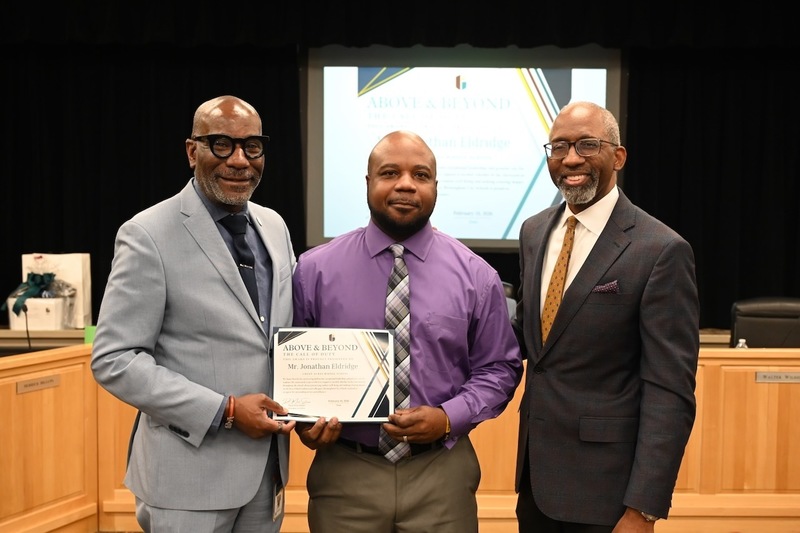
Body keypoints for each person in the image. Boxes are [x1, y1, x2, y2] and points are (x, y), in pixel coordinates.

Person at [290, 130, 523, 532]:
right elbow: (292, 366)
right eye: (389, 173)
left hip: (442, 474)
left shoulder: (477, 276)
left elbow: (500, 368)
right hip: (345, 472)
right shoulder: (314, 270)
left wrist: (448, 418)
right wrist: (306, 423)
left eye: (420, 175)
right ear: (368, 182)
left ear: (435, 186)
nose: (405, 184)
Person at [91, 95, 297, 533]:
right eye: (222, 144)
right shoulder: (147, 234)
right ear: (192, 151)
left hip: (267, 475)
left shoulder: (275, 226)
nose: (239, 160)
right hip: (187, 480)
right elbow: (114, 359)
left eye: (252, 147)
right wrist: (225, 410)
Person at [513, 101, 699, 531]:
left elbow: (669, 392)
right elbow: (531, 336)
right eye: (559, 147)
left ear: (618, 156)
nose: (570, 159)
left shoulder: (661, 250)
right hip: (536, 486)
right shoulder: (534, 231)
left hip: (608, 498)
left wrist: (643, 508)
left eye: (586, 145)